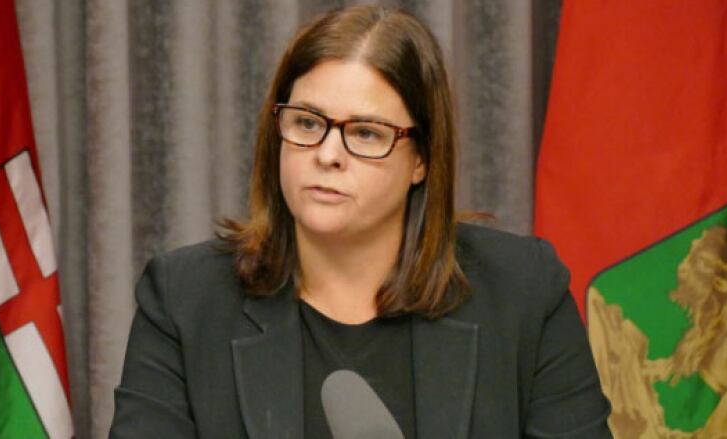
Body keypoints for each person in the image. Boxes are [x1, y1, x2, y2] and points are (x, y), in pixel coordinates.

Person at [110, 5, 612, 438]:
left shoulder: (522, 292)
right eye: (307, 123)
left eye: (366, 134)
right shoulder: (185, 300)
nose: (328, 154)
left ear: (422, 160)